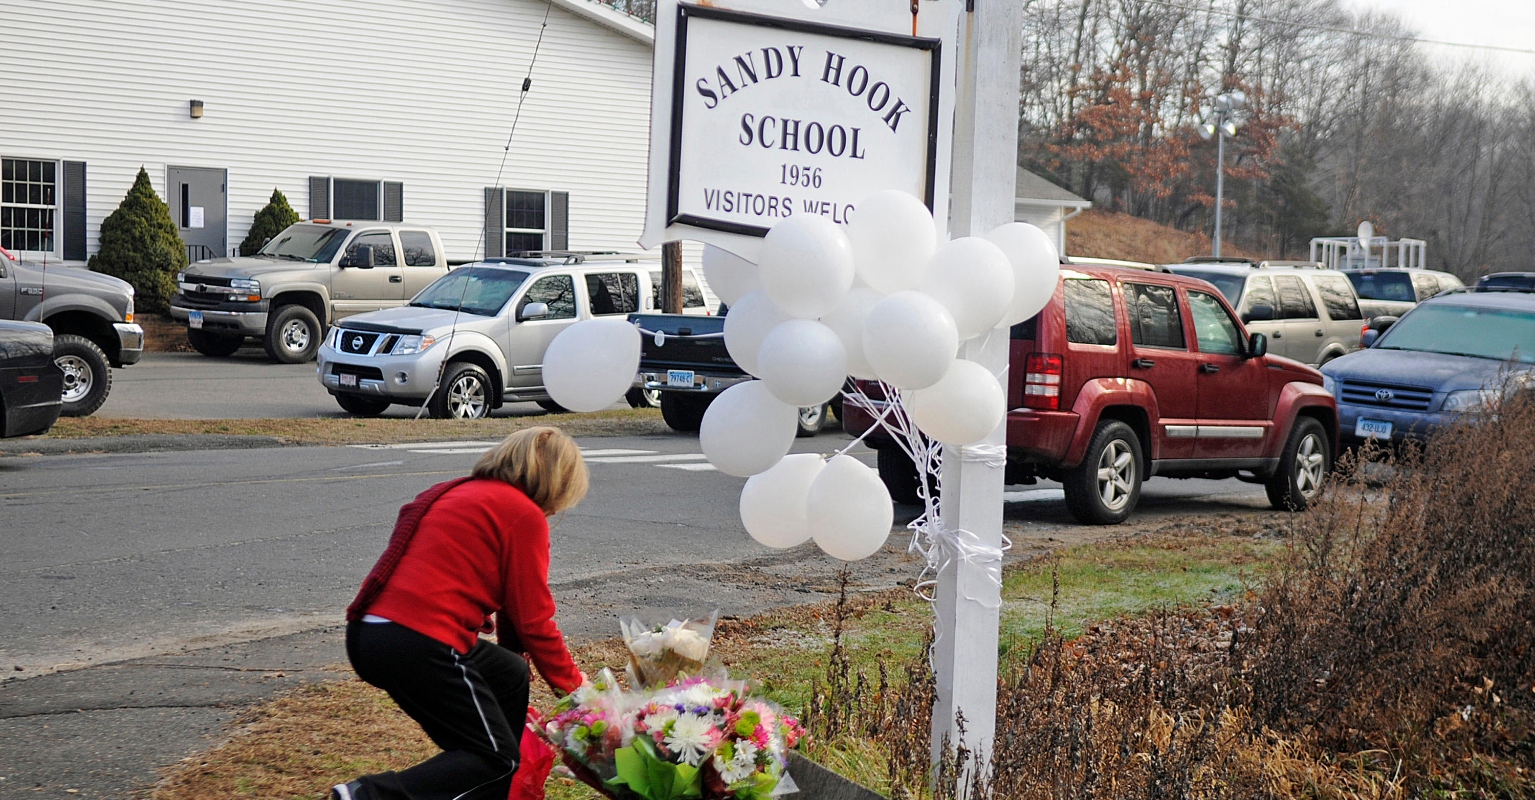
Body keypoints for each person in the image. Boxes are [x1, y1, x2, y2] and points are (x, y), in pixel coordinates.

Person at [333, 427, 589, 800]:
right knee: (495, 756)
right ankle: (365, 795)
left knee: (509, 673)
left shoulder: (451, 491)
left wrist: (516, 654)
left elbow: (513, 611)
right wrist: (576, 690)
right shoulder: (523, 514)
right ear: (555, 481)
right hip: (422, 641)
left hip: (369, 635)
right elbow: (534, 620)